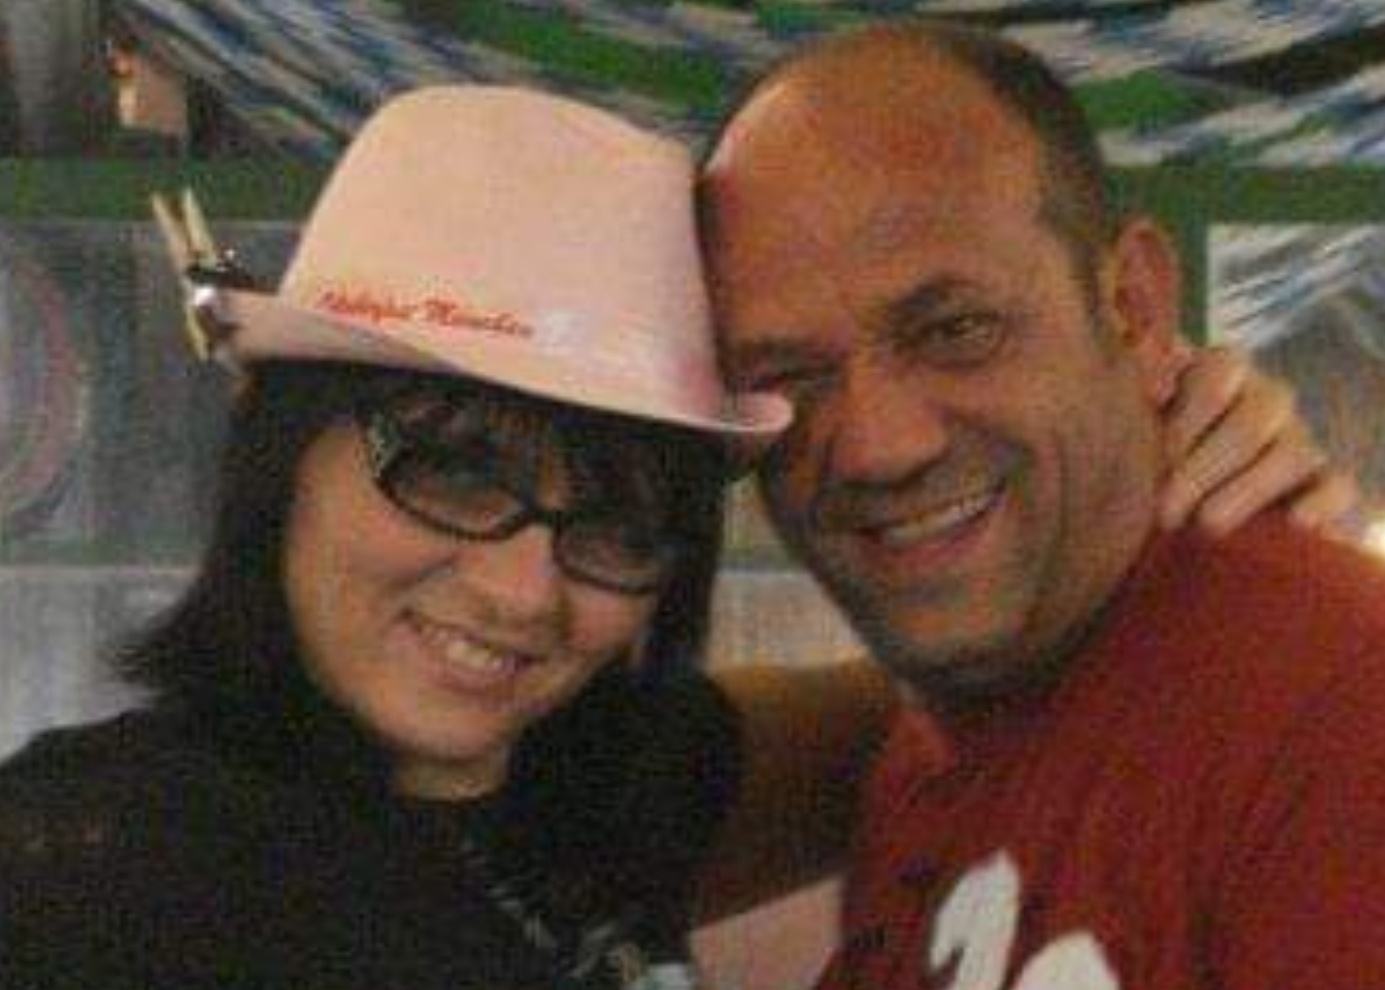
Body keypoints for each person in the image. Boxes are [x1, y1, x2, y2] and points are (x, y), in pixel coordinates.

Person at [0, 81, 1358, 990]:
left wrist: (1137, 481)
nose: (521, 587)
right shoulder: (81, 873)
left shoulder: (596, 792)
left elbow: (964, 689)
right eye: (451, 471)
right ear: (276, 442)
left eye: (616, 519)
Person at [697, 18, 1385, 989]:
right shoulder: (930, 737)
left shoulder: (1332, 722)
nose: (879, 447)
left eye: (956, 328)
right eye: (785, 377)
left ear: (1133, 308)